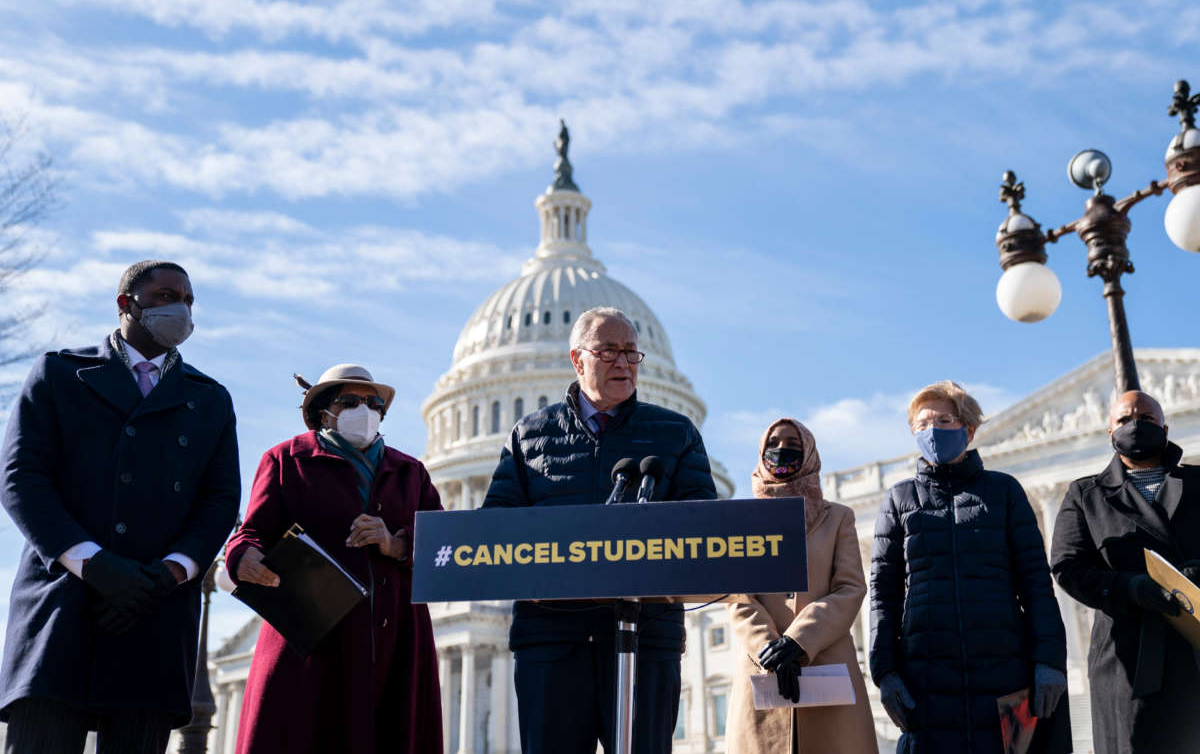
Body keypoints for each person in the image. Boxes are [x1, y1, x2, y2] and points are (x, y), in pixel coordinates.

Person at [0, 260, 240, 754]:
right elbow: (22, 477)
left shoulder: (210, 399)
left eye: (189, 301)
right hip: (62, 605)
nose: (181, 308)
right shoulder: (59, 373)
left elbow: (220, 501)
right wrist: (93, 564)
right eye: (166, 296)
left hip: (155, 613)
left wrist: (171, 574)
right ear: (125, 303)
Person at [482, 306, 718, 754]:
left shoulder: (675, 433)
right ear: (578, 359)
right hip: (552, 642)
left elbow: (701, 529)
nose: (623, 363)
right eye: (609, 351)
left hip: (645, 638)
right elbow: (497, 530)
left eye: (631, 352)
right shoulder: (529, 436)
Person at [225, 364, 443, 754]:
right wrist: (242, 557)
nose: (365, 411)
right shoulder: (286, 460)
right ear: (325, 410)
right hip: (312, 640)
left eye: (373, 404)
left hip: (393, 643)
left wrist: (395, 543)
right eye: (350, 401)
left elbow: (443, 546)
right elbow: (251, 532)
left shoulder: (411, 472)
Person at [869, 381, 1069, 753]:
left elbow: (1036, 585)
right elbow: (883, 595)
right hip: (926, 680)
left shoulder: (1004, 491)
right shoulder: (897, 500)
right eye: (923, 423)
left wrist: (1050, 661)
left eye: (944, 420)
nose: (932, 431)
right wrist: (885, 671)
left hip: (1005, 675)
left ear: (969, 429)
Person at [1050, 389, 1200, 754]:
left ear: (1165, 429)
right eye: (1124, 419)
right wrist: (1129, 588)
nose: (1135, 425)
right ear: (1110, 432)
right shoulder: (1086, 495)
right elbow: (1067, 566)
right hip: (1127, 661)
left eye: (1146, 418)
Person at [727, 418, 877, 754]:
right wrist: (771, 648)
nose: (782, 451)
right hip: (761, 668)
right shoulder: (742, 522)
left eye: (793, 444)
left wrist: (799, 641)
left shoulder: (838, 518)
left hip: (826, 667)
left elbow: (850, 588)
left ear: (809, 453)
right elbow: (738, 598)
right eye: (774, 444)